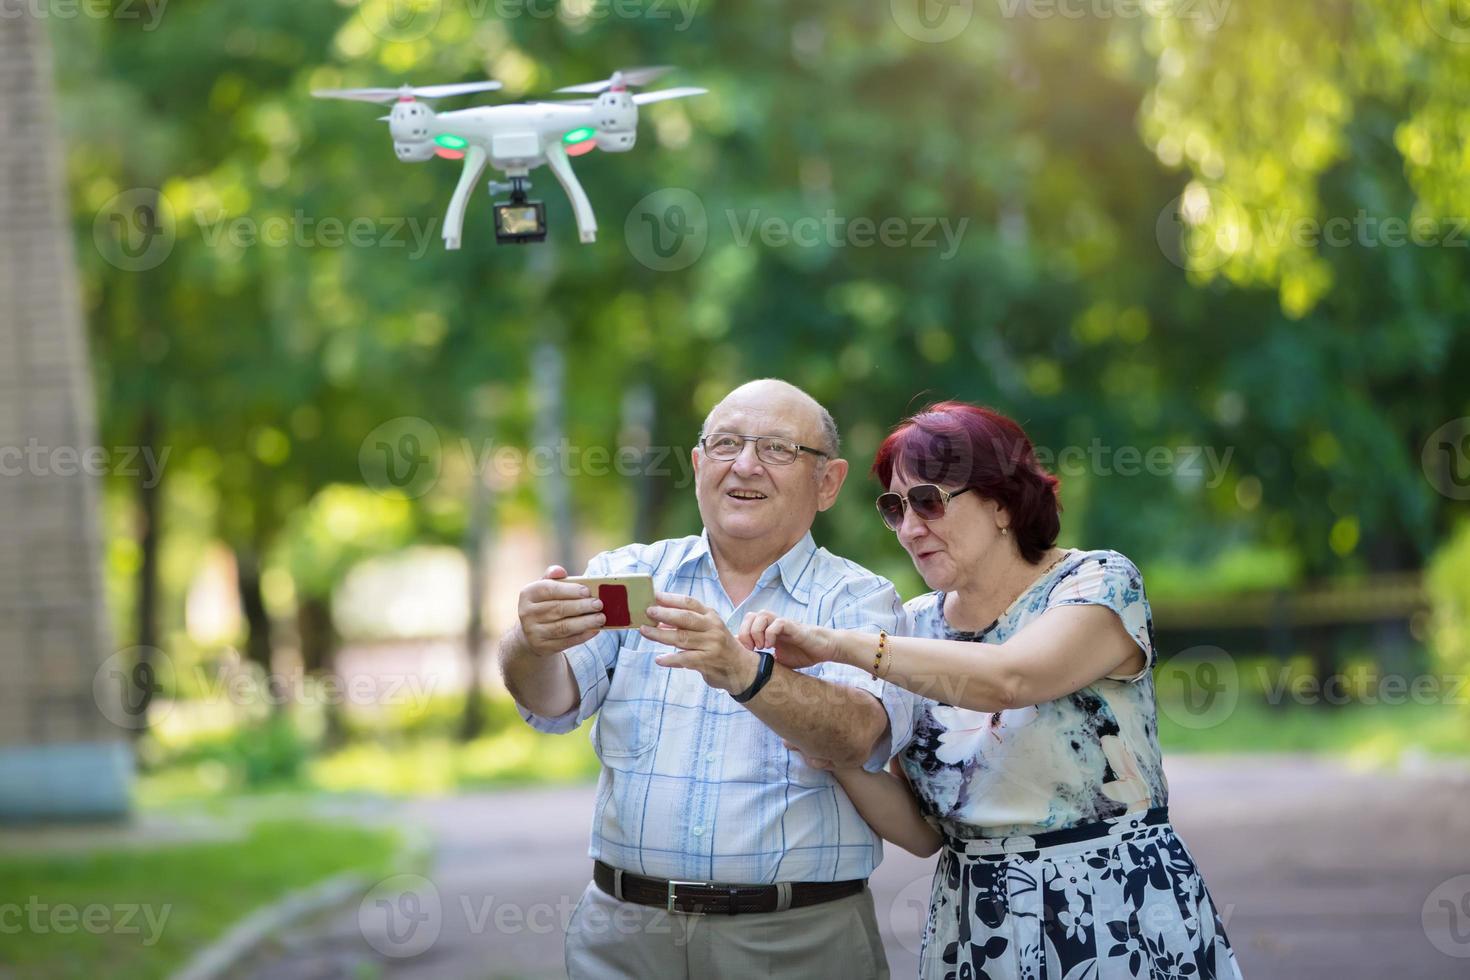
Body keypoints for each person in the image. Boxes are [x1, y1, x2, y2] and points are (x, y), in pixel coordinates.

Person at [742, 401, 1243, 980]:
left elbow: (1011, 678)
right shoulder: (912, 630)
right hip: (978, 925)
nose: (909, 527)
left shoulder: (1096, 582)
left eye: (928, 501)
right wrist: (836, 755)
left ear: (1001, 502)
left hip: (1117, 911)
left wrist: (841, 644)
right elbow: (923, 834)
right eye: (894, 507)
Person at [498, 379, 911, 979]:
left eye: (776, 449)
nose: (744, 465)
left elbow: (859, 737)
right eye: (725, 444)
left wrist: (745, 673)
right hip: (623, 937)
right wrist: (527, 641)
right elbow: (552, 702)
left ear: (828, 483)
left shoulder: (860, 600)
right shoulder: (630, 574)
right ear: (697, 465)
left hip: (797, 940)